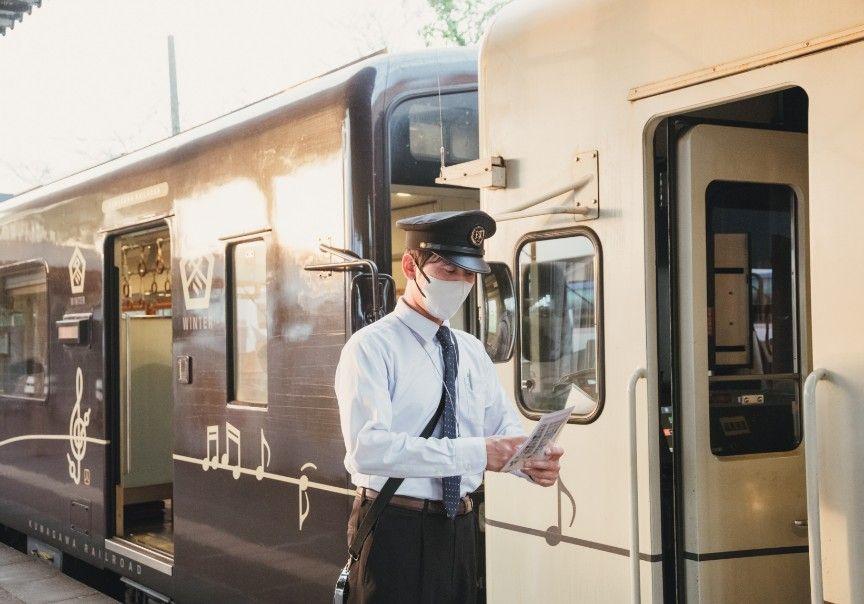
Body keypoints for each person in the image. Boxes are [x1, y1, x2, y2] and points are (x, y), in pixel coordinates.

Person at [335, 209, 564, 603]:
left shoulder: (471, 351)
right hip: (396, 528)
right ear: (411, 266)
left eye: (469, 274)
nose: (461, 283)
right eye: (449, 270)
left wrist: (529, 460)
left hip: (460, 529)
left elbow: (501, 429)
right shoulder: (371, 347)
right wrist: (479, 453)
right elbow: (367, 449)